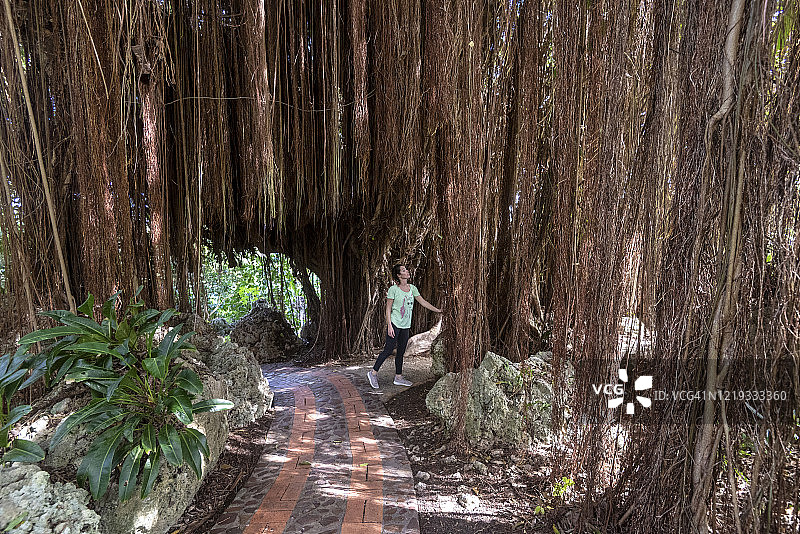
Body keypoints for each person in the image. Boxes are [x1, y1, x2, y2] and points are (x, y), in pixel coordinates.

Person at [367, 264, 442, 388]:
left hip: (406, 326)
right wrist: (389, 326)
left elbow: (423, 302)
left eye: (406, 269)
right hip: (395, 324)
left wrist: (438, 310)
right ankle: (373, 373)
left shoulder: (412, 288)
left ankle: (398, 377)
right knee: (388, 350)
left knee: (401, 352)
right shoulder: (393, 289)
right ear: (398, 275)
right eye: (403, 270)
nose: (407, 271)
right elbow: (388, 309)